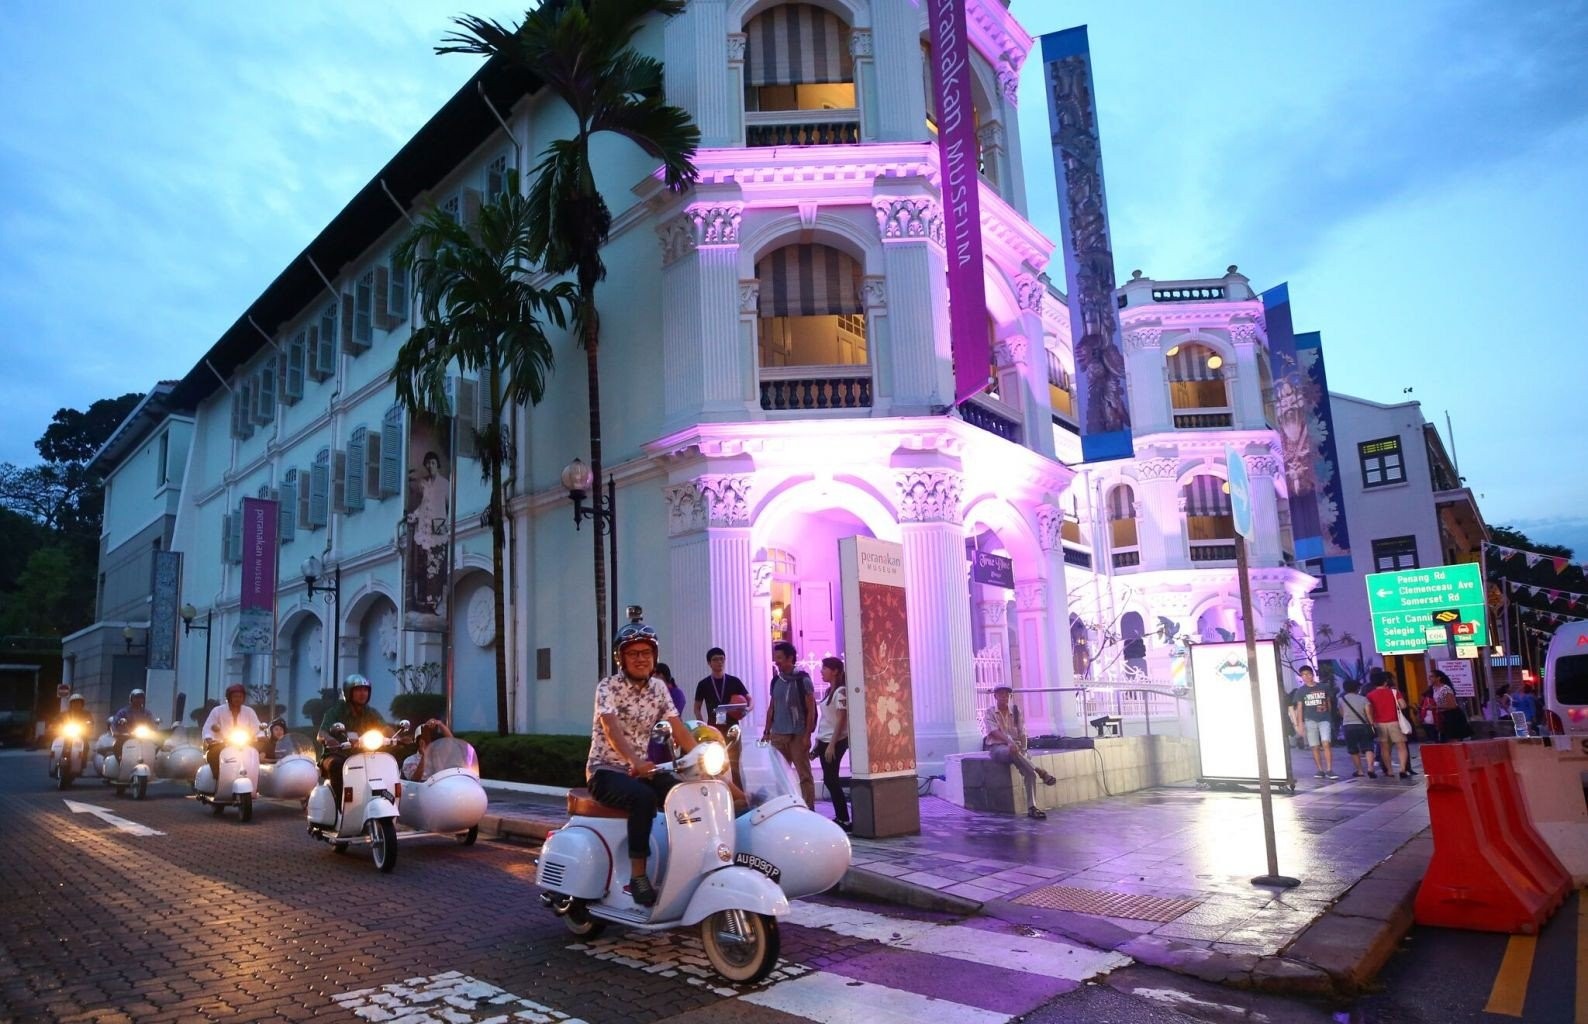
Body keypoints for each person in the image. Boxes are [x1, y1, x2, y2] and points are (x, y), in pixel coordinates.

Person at [586, 613, 697, 908]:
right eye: (633, 653)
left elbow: (677, 725)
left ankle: (688, 862)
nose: (640, 658)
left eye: (646, 653)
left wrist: (700, 755)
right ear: (620, 658)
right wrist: (634, 760)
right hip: (605, 770)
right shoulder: (607, 687)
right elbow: (610, 729)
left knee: (682, 793)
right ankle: (638, 876)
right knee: (643, 798)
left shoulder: (659, 688)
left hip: (640, 769)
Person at [984, 684, 1056, 819]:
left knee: (1030, 774)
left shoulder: (1016, 711)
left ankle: (1032, 807)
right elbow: (993, 731)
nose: (1004, 697)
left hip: (1016, 749)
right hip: (997, 749)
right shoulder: (990, 712)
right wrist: (1009, 742)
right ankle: (1040, 770)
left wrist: (1024, 749)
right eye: (1001, 694)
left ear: (1010, 696)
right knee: (1013, 750)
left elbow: (1022, 732)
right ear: (995, 696)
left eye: (1007, 694)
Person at [762, 641, 817, 810]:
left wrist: (807, 736)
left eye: (779, 657)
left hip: (798, 736)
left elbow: (811, 710)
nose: (776, 661)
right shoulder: (775, 681)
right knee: (779, 775)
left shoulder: (803, 680)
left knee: (804, 775)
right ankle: (783, 808)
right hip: (778, 735)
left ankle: (808, 809)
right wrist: (767, 731)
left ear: (790, 658)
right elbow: (772, 707)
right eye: (775, 658)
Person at [316, 674, 386, 805]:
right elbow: (321, 733)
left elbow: (385, 727)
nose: (363, 693)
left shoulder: (371, 713)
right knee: (336, 765)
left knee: (385, 762)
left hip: (364, 754)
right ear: (349, 692)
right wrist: (329, 739)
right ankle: (340, 805)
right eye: (358, 690)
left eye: (365, 690)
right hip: (336, 754)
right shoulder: (335, 711)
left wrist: (398, 738)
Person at [808, 656, 851, 832]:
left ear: (835, 671)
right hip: (825, 739)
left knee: (831, 779)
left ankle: (844, 818)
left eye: (825, 668)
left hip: (836, 740)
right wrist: (818, 743)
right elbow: (826, 720)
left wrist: (832, 744)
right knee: (829, 779)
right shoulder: (828, 692)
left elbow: (841, 719)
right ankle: (841, 816)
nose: (821, 671)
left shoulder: (840, 692)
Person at [202, 683, 263, 778]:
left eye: (240, 696)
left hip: (245, 744)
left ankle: (254, 779)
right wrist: (209, 737)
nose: (238, 699)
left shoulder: (249, 712)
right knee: (213, 755)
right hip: (222, 744)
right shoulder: (217, 711)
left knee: (258, 755)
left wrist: (261, 736)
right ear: (229, 698)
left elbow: (257, 728)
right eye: (235, 696)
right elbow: (208, 728)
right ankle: (218, 778)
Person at [1289, 666, 1338, 780]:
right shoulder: (1301, 691)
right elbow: (1300, 707)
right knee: (1314, 746)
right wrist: (1300, 723)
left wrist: (1330, 716)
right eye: (1303, 675)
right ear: (1301, 677)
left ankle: (1330, 769)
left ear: (1312, 674)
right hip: (1310, 720)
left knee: (1326, 743)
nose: (1306, 677)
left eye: (1308, 674)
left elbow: (1328, 702)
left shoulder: (1323, 687)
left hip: (1324, 719)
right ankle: (1320, 770)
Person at [1365, 669, 1410, 779]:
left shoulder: (1370, 695)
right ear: (1385, 682)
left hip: (1379, 723)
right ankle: (1403, 769)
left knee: (1385, 748)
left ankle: (1389, 771)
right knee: (1401, 747)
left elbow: (1369, 710)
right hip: (1394, 722)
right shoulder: (1394, 692)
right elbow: (1403, 705)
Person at [693, 647, 751, 728]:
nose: (719, 662)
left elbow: (750, 699)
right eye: (715, 659)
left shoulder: (734, 681)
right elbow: (696, 708)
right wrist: (703, 726)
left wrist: (747, 710)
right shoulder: (703, 684)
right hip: (713, 728)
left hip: (733, 727)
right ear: (709, 663)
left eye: (722, 659)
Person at [1338, 680, 1378, 778]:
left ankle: (1360, 771)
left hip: (1348, 726)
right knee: (1368, 747)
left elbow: (1341, 713)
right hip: (1363, 725)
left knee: (1353, 749)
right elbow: (1369, 714)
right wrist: (1372, 724)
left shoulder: (1341, 699)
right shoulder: (1364, 699)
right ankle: (1370, 768)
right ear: (1357, 688)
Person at [110, 688, 159, 758]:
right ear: (131, 699)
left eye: (141, 697)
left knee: (158, 745)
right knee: (117, 746)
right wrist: (116, 732)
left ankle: (152, 761)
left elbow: (152, 724)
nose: (138, 699)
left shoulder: (147, 713)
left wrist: (154, 731)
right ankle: (121, 763)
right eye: (136, 697)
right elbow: (115, 723)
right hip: (127, 737)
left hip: (145, 737)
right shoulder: (123, 712)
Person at [1430, 669, 1473, 741]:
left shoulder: (1445, 689)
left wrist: (1436, 707)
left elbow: (1453, 706)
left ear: (1438, 678)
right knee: (1445, 738)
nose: (1430, 678)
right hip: (1443, 715)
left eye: (1432, 676)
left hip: (1453, 715)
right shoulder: (1434, 688)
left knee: (1453, 738)